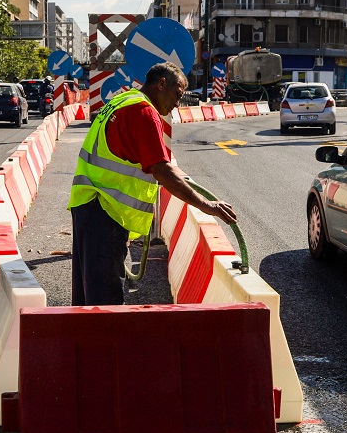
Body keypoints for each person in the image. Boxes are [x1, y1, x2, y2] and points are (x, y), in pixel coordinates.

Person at [69, 62, 237, 306]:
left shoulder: (122, 101)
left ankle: (84, 342)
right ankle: (104, 344)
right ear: (161, 84)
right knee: (104, 299)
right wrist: (206, 205)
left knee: (87, 292)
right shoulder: (144, 112)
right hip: (105, 211)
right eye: (177, 95)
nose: (177, 104)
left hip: (88, 205)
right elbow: (161, 169)